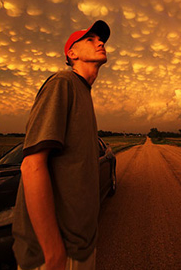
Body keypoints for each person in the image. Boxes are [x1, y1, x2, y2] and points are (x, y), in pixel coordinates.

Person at [12, 20, 110, 270]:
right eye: (90, 39)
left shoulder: (83, 93)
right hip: (56, 256)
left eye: (101, 39)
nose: (100, 42)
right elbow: (32, 166)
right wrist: (53, 251)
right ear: (72, 53)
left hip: (81, 248)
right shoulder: (62, 84)